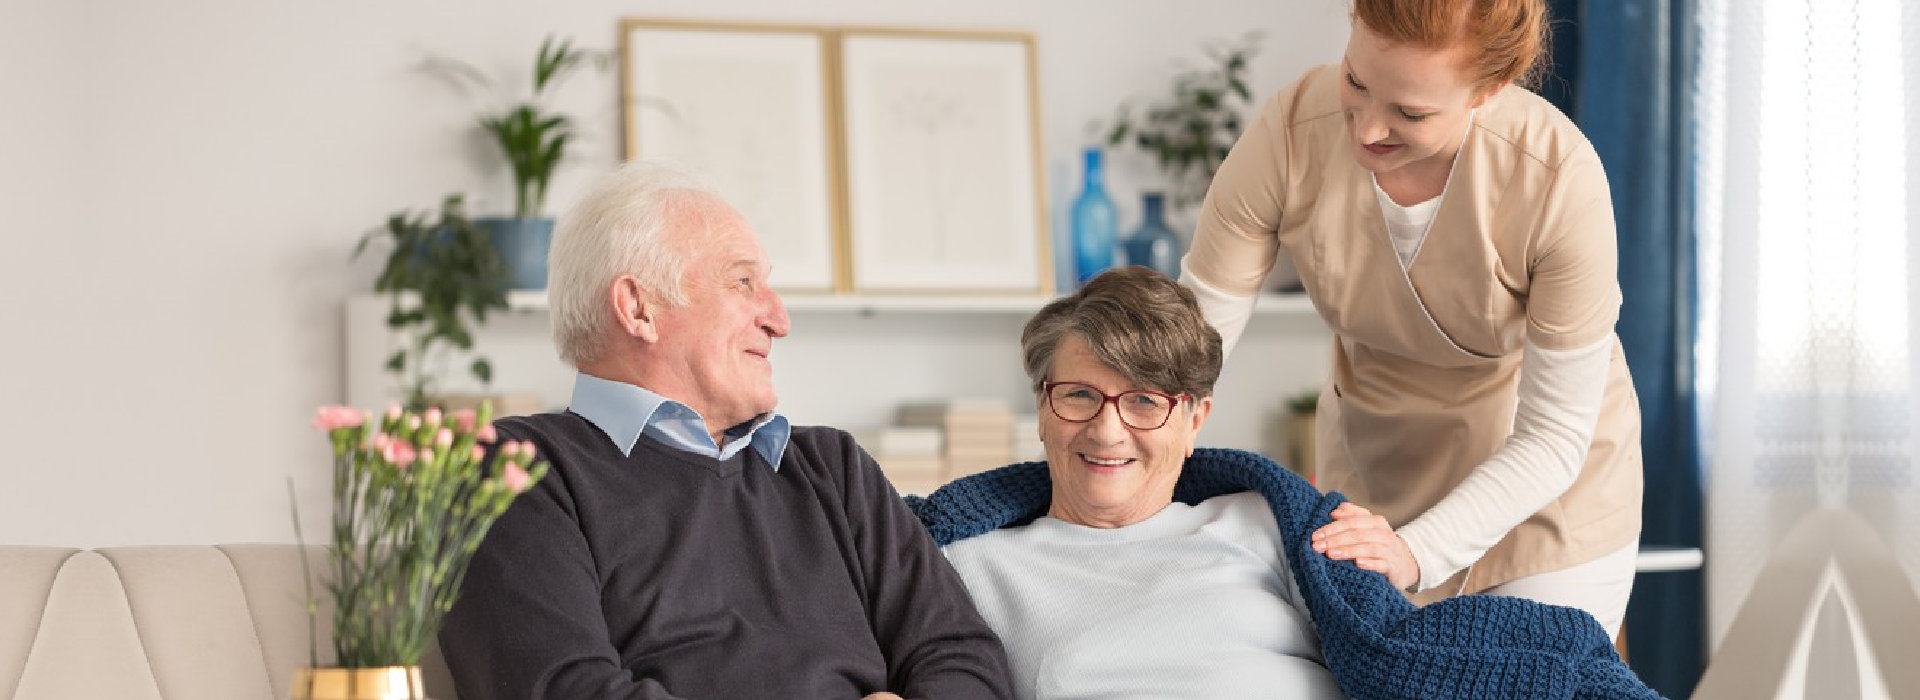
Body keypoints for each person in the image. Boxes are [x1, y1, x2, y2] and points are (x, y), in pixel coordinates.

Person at [914, 267, 1657, 700]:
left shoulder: (1266, 523)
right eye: (1079, 396)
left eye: (1145, 402)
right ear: (1042, 405)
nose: (1107, 431)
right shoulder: (967, 565)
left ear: (1195, 417)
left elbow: (1394, 645)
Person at [438, 162, 1013, 700]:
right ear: (638, 308)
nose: (779, 320)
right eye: (742, 283)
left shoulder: (832, 467)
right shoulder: (512, 469)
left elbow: (964, 660)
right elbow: (567, 692)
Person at [1180, 0, 1643, 637]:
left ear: (1489, 91)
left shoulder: (1557, 179)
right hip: (1377, 468)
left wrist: (1417, 551)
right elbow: (1189, 344)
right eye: (1356, 82)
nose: (1367, 130)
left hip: (1543, 492)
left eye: (1410, 113)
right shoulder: (1292, 131)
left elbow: (1555, 435)